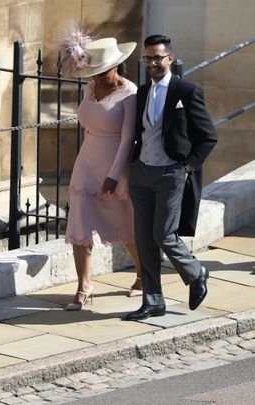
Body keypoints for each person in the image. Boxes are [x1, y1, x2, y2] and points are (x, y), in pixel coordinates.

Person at [124, 35, 217, 321]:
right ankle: (153, 301)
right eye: (147, 58)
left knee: (163, 234)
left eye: (157, 58)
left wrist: (187, 167)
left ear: (170, 59)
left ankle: (195, 271)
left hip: (171, 173)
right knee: (144, 240)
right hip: (141, 174)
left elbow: (208, 136)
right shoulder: (141, 93)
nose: (151, 63)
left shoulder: (187, 91)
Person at [58, 34, 143, 311]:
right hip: (88, 161)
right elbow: (88, 126)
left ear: (115, 67)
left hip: (115, 165)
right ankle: (84, 286)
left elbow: (128, 137)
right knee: (79, 221)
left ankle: (143, 275)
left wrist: (114, 175)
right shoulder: (89, 89)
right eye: (92, 73)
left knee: (124, 225)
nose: (95, 78)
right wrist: (84, 160)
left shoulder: (129, 93)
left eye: (101, 72)